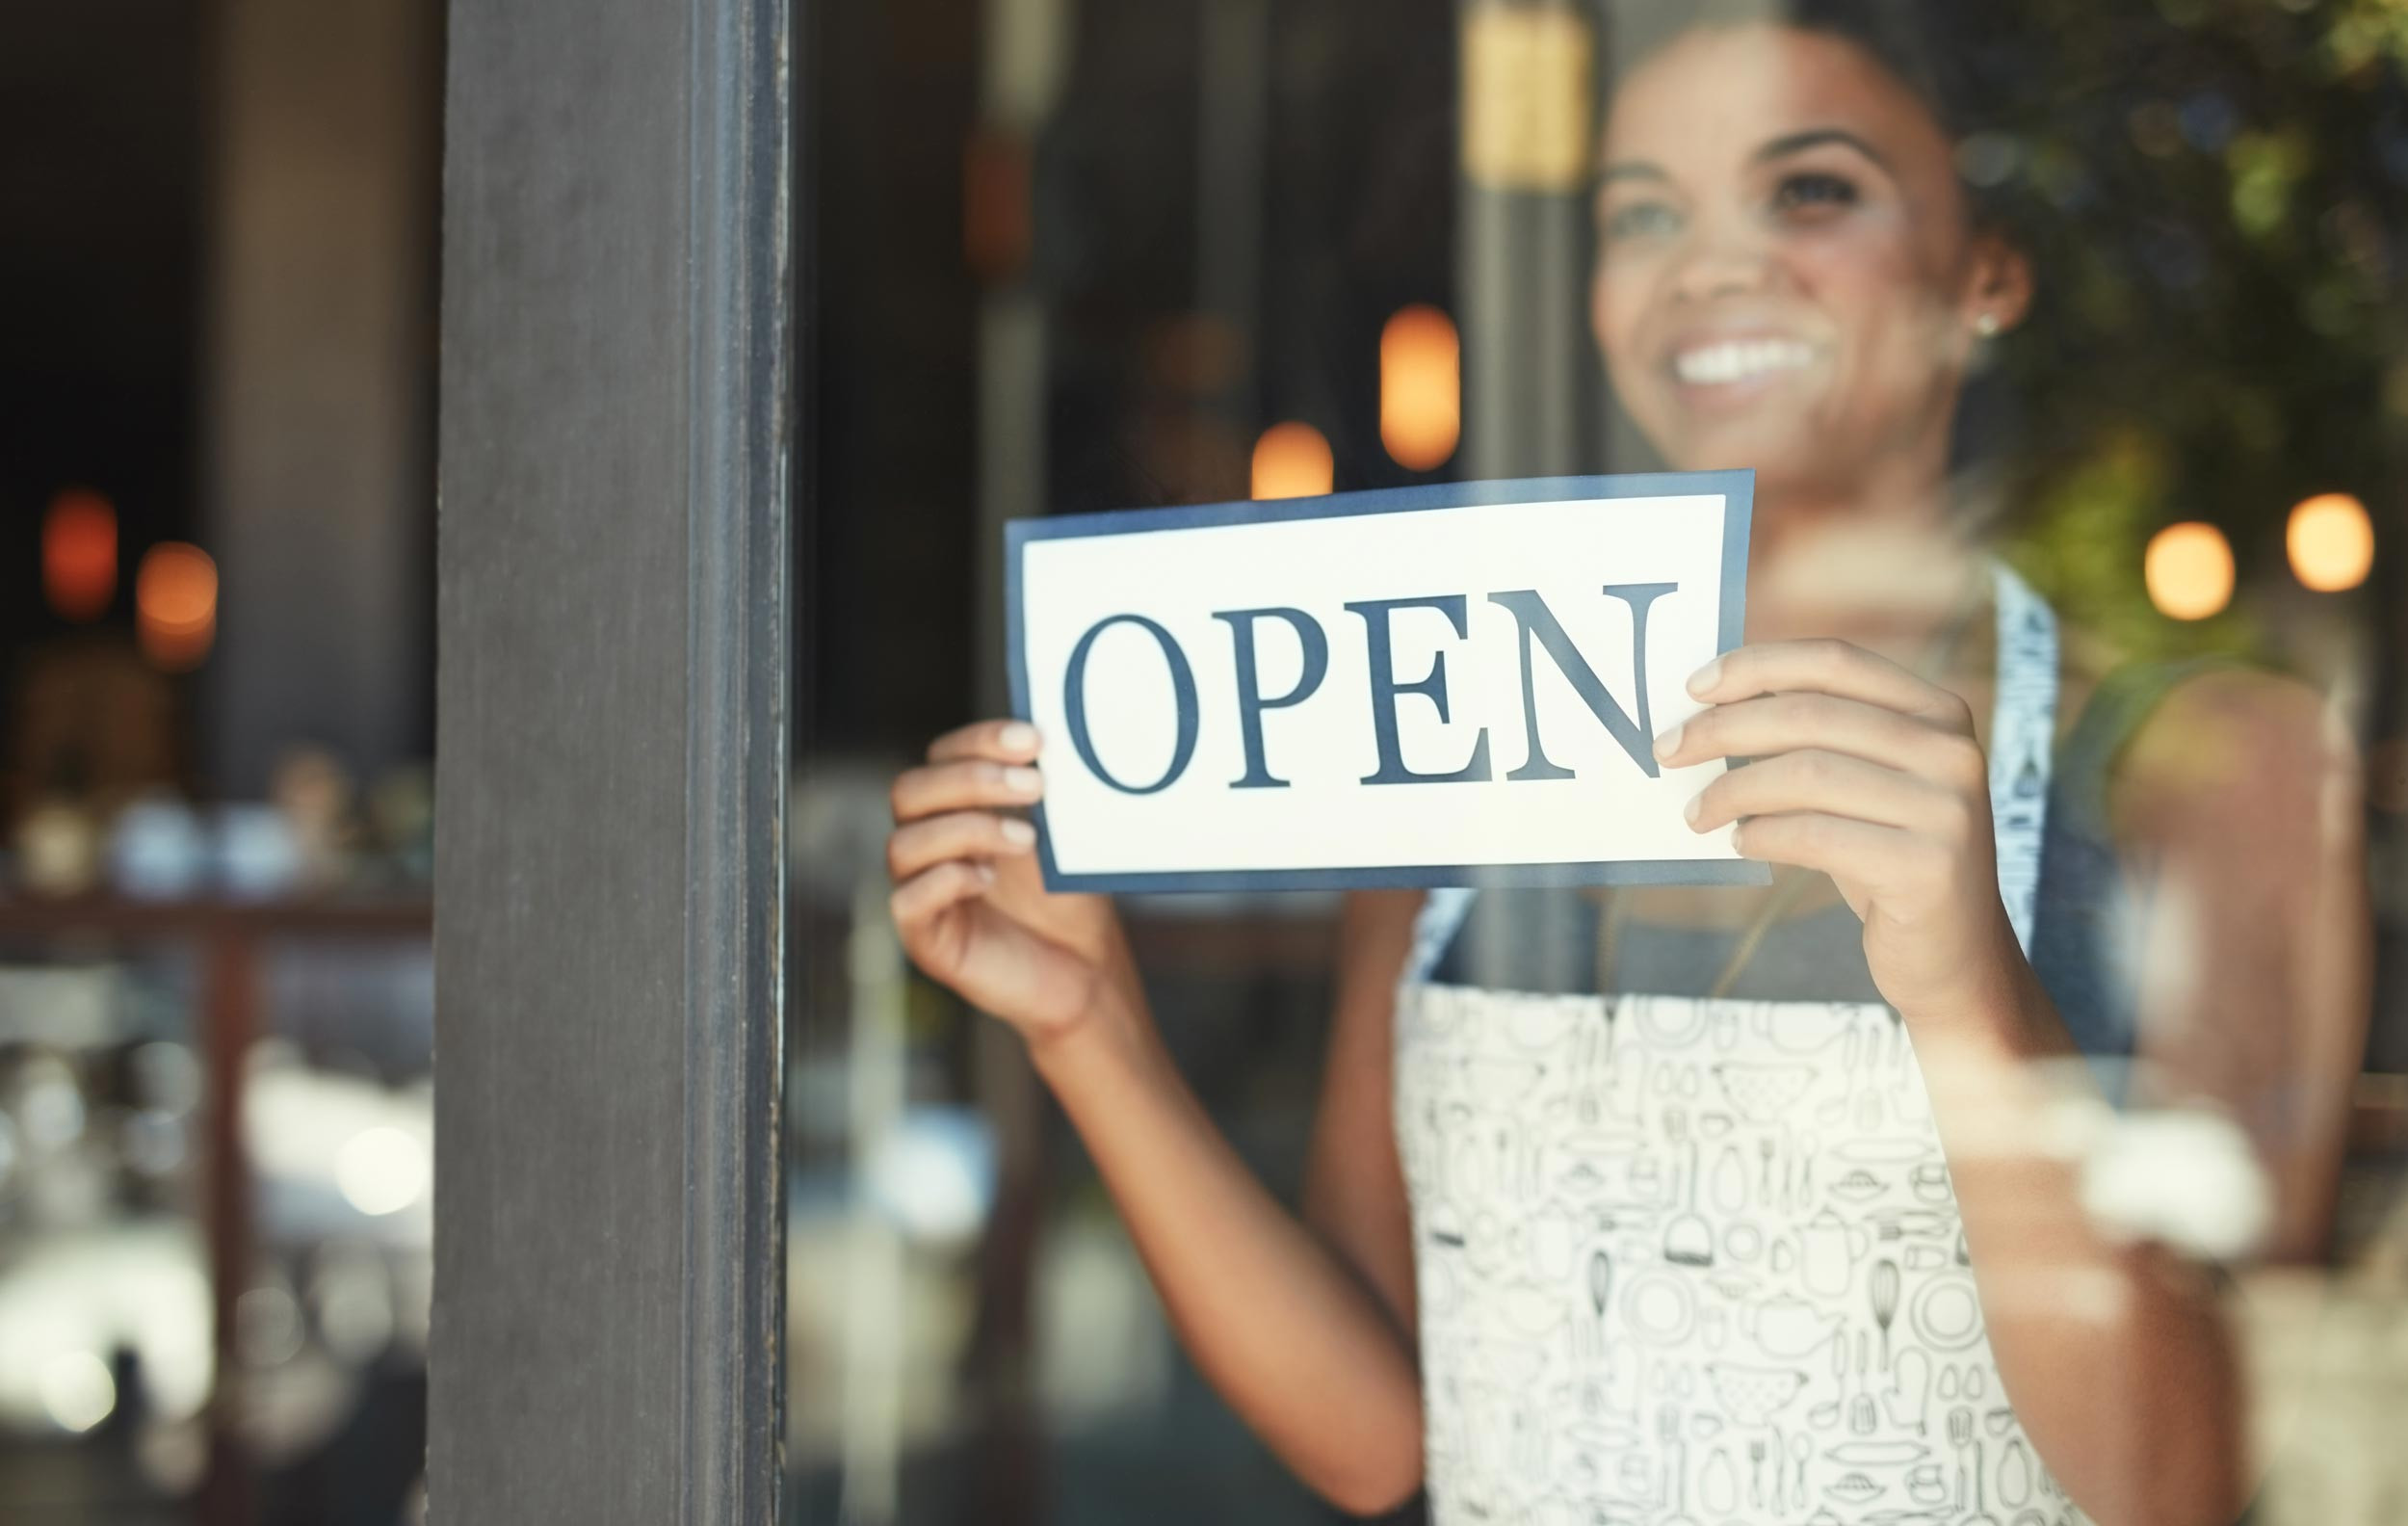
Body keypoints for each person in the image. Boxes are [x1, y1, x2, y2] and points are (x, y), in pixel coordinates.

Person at [884, 3, 2369, 1522]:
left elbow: (2194, 1486)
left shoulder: (2203, 774)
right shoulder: (1457, 741)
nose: (1713, 262)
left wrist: (1970, 994)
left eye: (1811, 188)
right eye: (1642, 212)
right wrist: (1090, 1031)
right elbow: (1382, 1436)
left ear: (1989, 269)